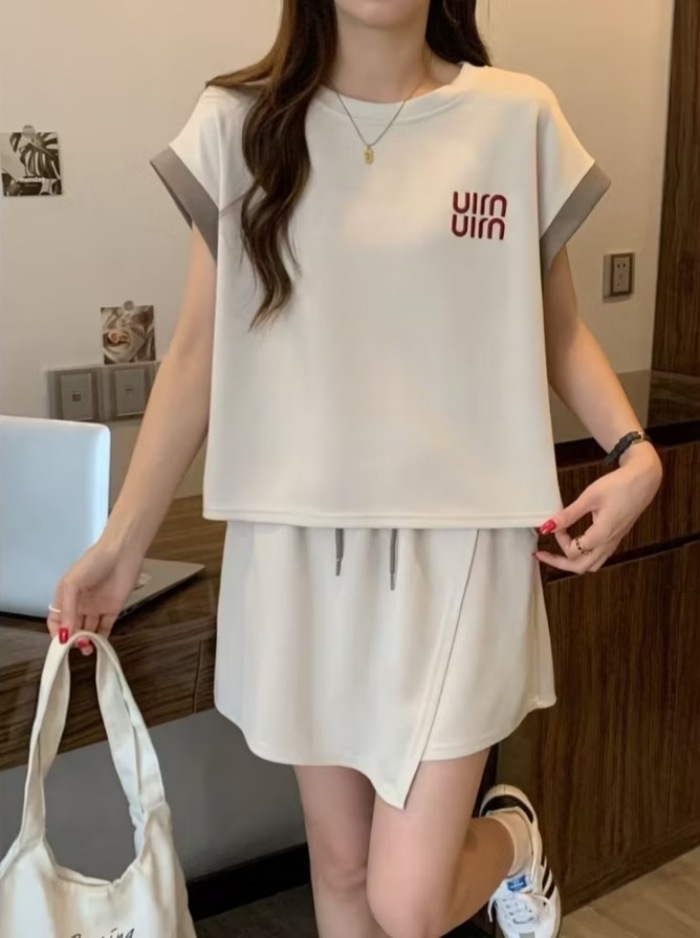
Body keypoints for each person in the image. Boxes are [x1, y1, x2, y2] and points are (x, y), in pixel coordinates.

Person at [47, 2, 663, 936]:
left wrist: (635, 454)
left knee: (406, 900)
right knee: (339, 870)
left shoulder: (515, 115)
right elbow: (198, 353)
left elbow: (558, 327)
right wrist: (120, 545)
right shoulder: (239, 124)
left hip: (463, 541)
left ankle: (513, 838)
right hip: (295, 540)